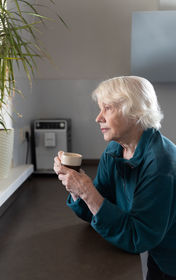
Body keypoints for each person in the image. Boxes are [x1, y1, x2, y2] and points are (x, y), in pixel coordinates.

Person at [53, 76, 176, 280]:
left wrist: (87, 191)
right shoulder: (115, 149)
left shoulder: (161, 163)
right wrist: (76, 188)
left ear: (134, 111)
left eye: (107, 108)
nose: (98, 117)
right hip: (157, 248)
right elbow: (95, 209)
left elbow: (137, 237)